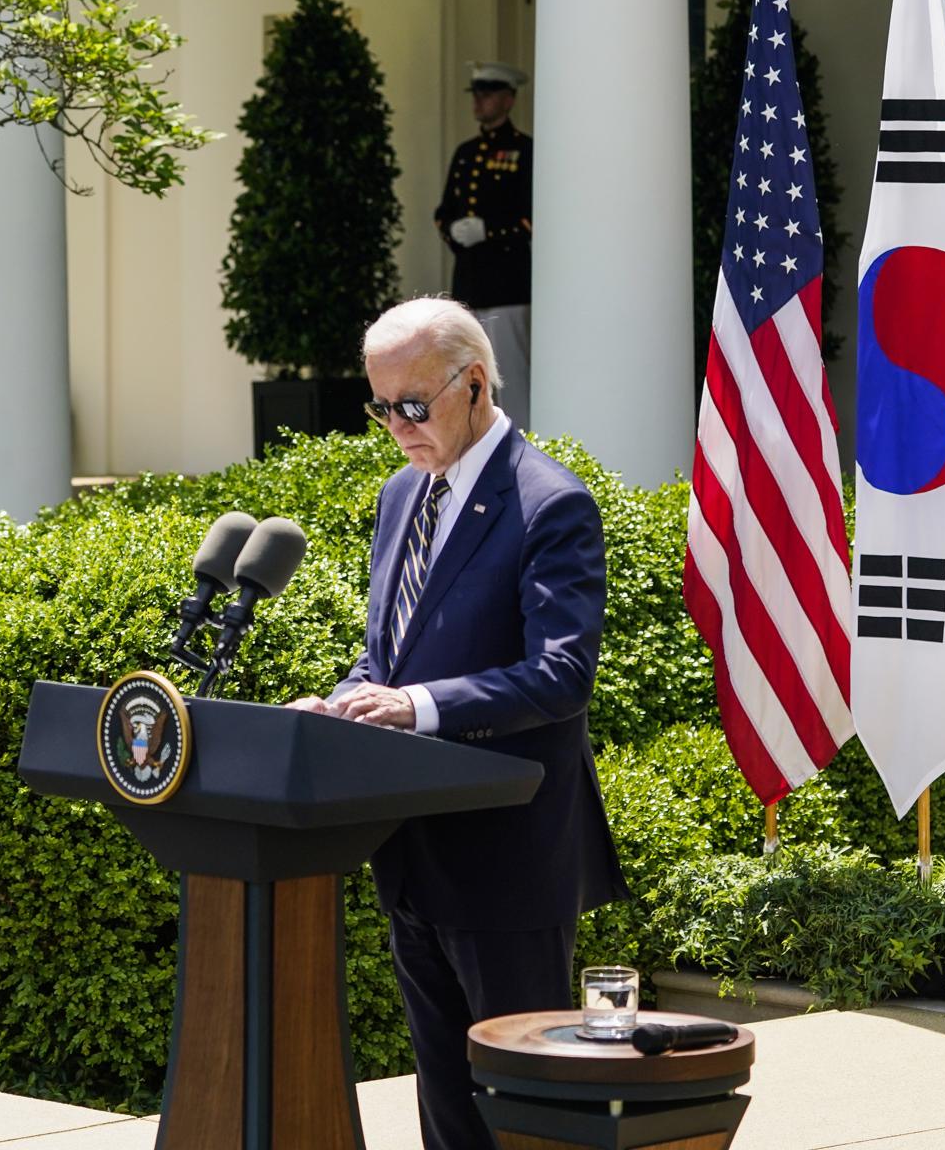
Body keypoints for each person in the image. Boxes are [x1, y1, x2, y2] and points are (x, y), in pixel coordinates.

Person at [290, 296, 626, 1150]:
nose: (397, 426)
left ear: (474, 384)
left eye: (413, 404)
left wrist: (416, 708)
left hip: (508, 861)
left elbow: (561, 675)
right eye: (381, 407)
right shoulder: (403, 495)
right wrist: (341, 702)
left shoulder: (550, 503)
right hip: (415, 855)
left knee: (529, 1114)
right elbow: (391, 655)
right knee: (448, 1115)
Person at [434, 62, 534, 429]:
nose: (479, 100)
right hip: (469, 283)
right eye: (477, 93)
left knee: (511, 375)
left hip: (508, 283)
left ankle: (522, 443)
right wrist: (453, 232)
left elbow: (530, 218)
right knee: (467, 377)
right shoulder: (465, 153)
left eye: (488, 93)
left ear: (508, 99)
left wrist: (488, 232)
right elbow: (442, 213)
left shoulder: (524, 151)